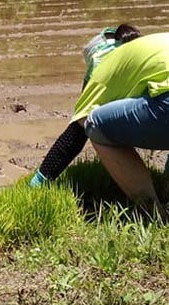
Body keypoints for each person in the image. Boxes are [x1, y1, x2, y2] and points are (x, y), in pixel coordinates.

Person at [66, 32, 169, 217]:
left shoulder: (104, 69)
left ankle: (151, 211)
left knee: (94, 123)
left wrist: (41, 178)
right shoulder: (151, 47)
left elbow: (78, 127)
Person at [30, 24, 142, 187]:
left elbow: (85, 99)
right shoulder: (129, 55)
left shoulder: (100, 54)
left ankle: (38, 182)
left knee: (80, 127)